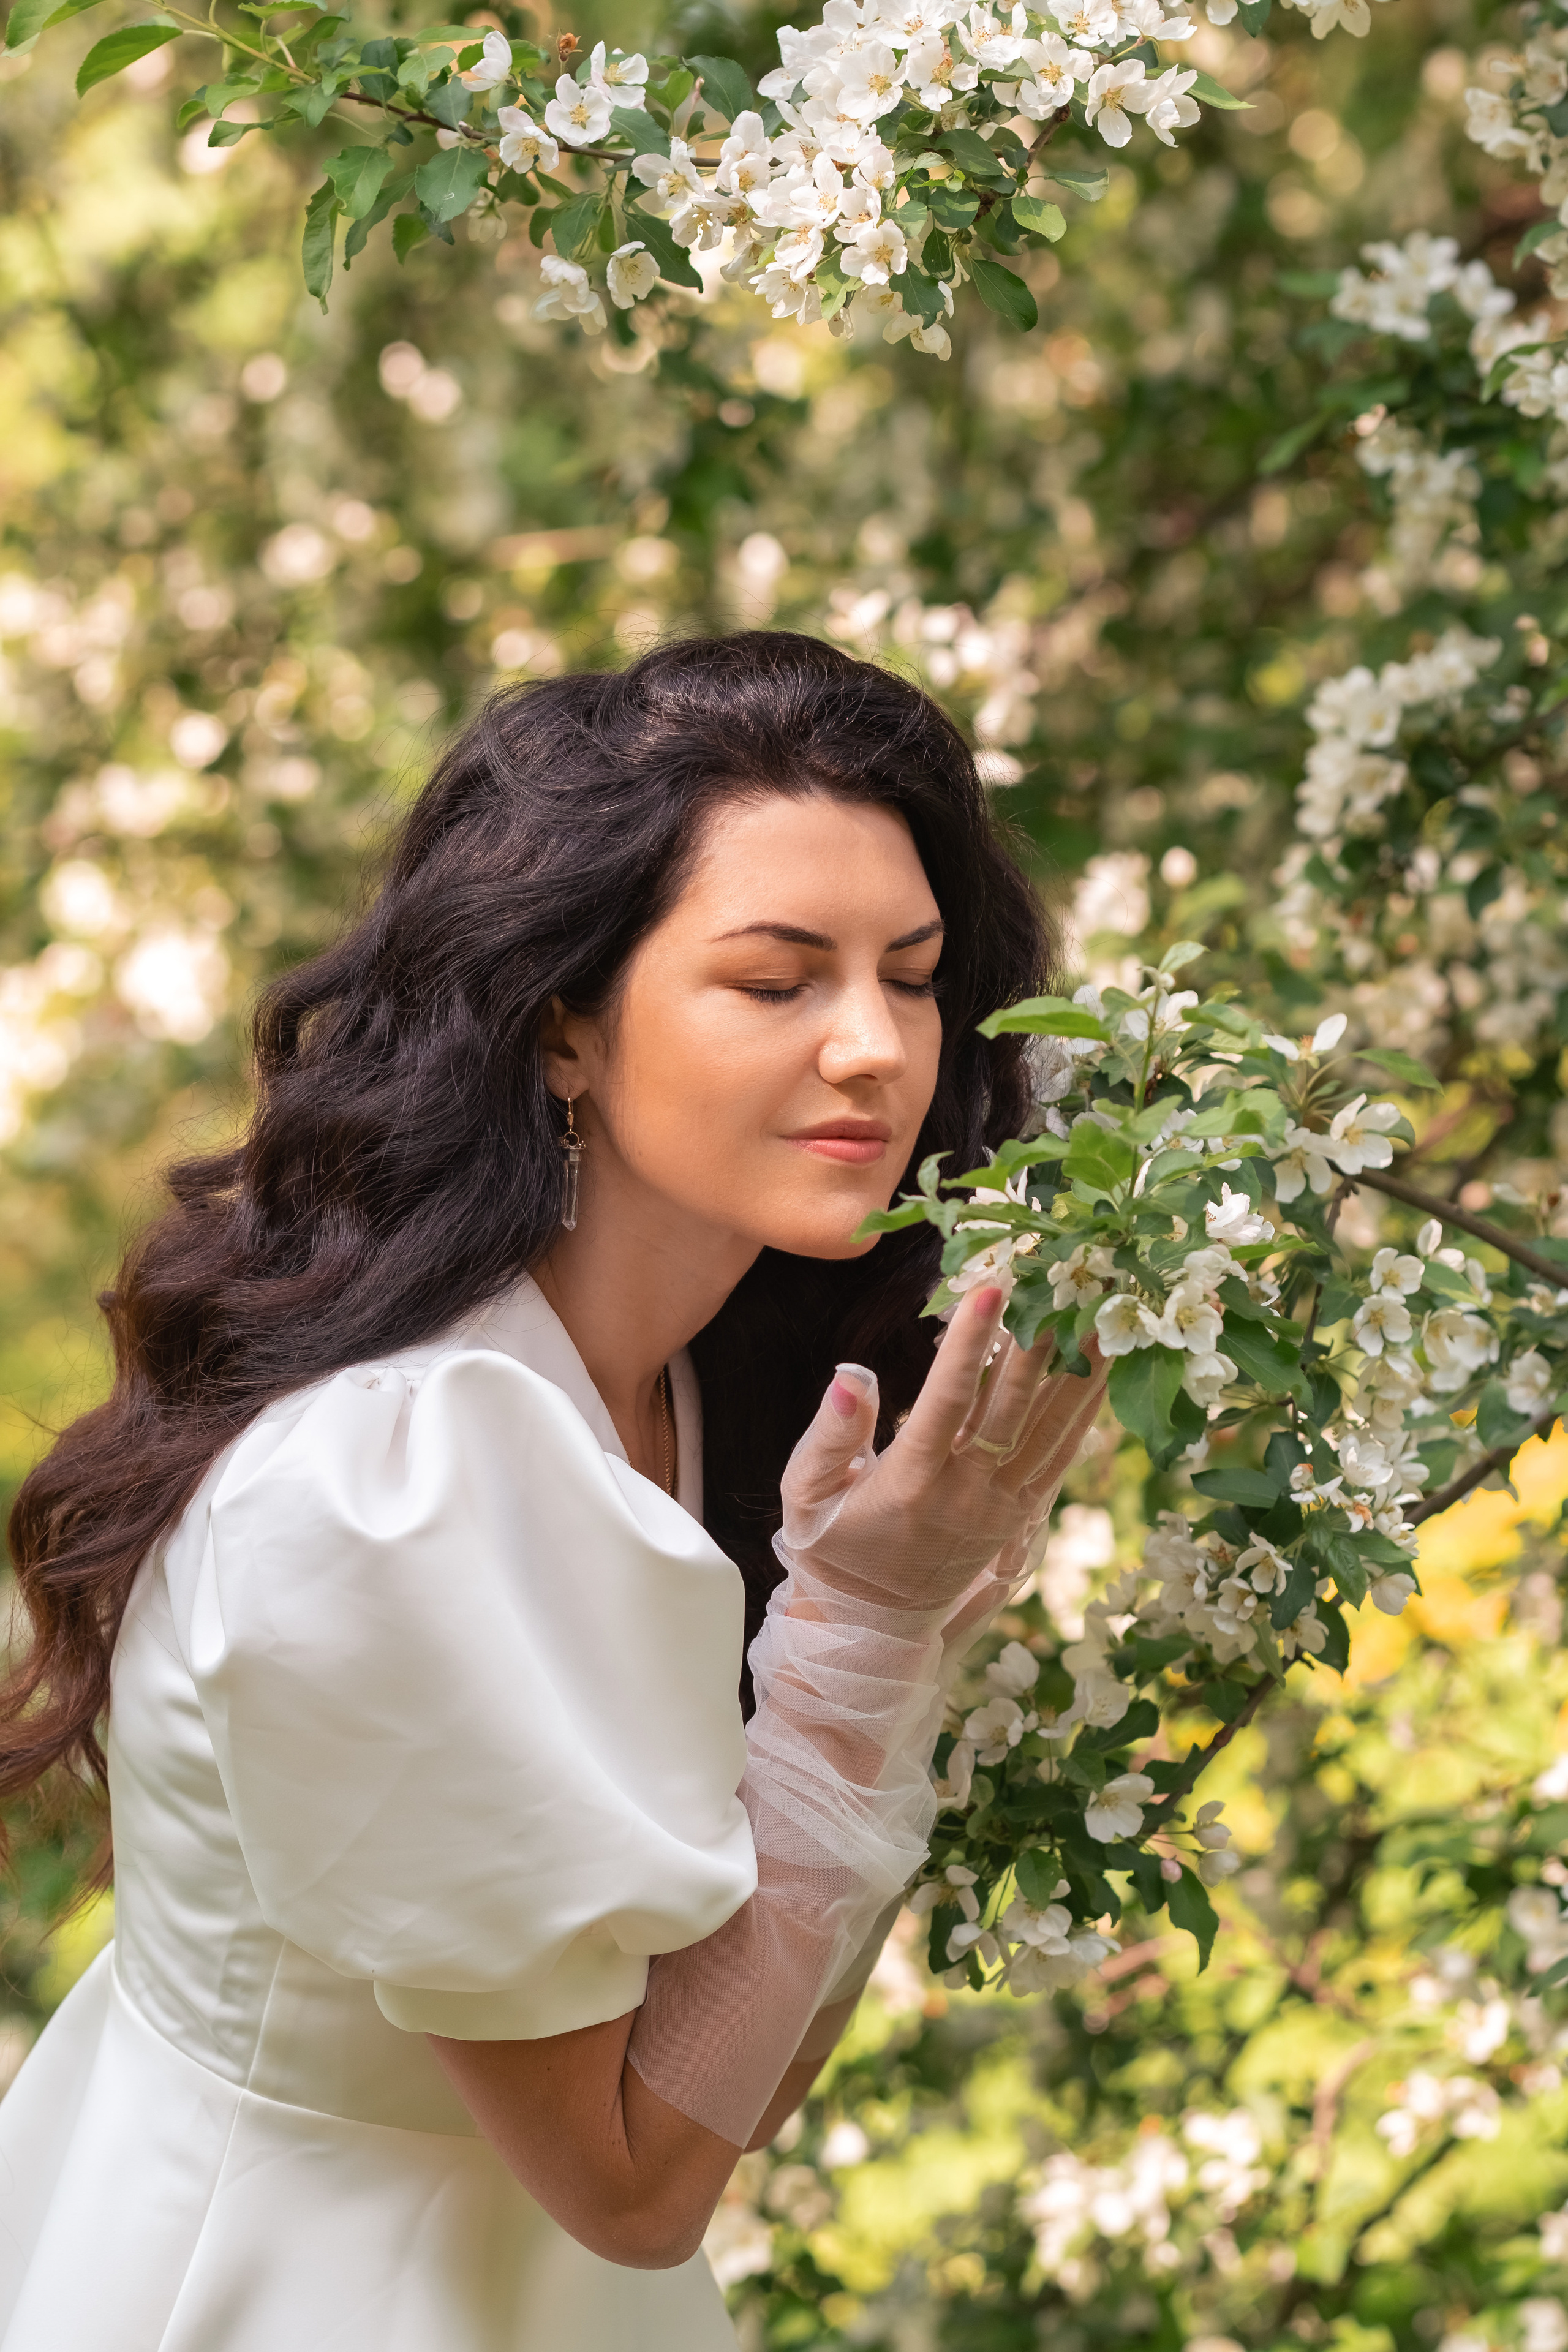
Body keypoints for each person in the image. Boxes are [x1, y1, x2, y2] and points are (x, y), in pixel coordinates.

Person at [0, 632, 1106, 2351]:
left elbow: (737, 2079)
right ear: (564, 1027)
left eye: (912, 976)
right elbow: (638, 2187)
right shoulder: (400, 1483)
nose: (875, 1049)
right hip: (305, 2285)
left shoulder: (686, 1393)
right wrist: (871, 1638)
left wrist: (878, 1633)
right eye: (776, 981)